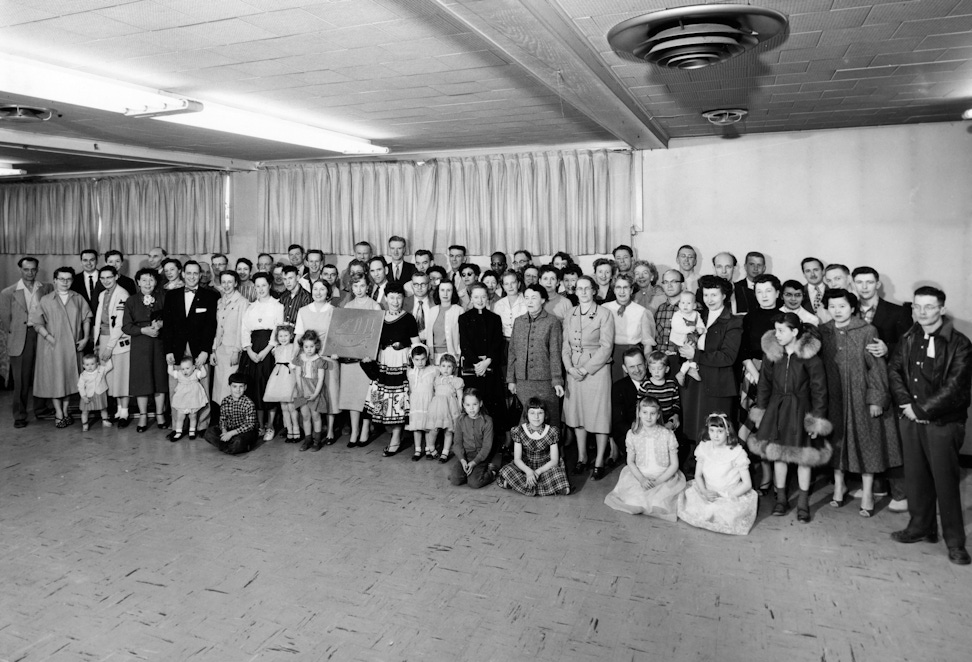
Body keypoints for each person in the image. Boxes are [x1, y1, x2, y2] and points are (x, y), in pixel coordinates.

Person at [889, 286, 971, 565]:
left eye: (929, 306)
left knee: (945, 482)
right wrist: (906, 405)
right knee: (916, 477)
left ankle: (955, 542)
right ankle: (921, 527)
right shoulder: (908, 337)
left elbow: (956, 387)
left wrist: (923, 409)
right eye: (917, 307)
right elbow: (895, 371)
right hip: (911, 419)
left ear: (942, 309)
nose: (922, 312)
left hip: (943, 423)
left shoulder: (960, 343)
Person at [820, 289, 902, 517]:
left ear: (853, 308)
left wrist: (876, 399)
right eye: (833, 306)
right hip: (834, 397)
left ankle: (867, 492)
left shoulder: (867, 330)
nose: (837, 311)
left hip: (861, 396)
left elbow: (876, 367)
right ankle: (839, 485)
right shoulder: (822, 332)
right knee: (836, 442)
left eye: (842, 306)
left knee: (868, 444)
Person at [747, 313, 831, 523]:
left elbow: (819, 390)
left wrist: (816, 420)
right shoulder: (772, 354)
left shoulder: (810, 357)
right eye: (775, 330)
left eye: (782, 330)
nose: (777, 335)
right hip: (777, 409)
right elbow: (764, 385)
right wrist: (761, 412)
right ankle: (781, 499)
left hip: (800, 410)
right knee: (778, 455)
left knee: (802, 457)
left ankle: (803, 502)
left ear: (795, 332)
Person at [678, 275, 743, 464]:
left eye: (714, 295)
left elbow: (728, 357)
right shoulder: (698, 316)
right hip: (695, 378)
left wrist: (695, 355)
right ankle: (697, 463)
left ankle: (717, 469)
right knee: (695, 424)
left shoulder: (733, 321)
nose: (709, 299)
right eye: (706, 295)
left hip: (718, 381)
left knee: (716, 429)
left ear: (725, 296)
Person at [563, 275, 615, 479]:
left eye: (587, 288)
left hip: (596, 370)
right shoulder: (570, 313)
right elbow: (565, 345)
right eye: (579, 288)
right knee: (577, 415)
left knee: (599, 415)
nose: (583, 292)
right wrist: (569, 367)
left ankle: (600, 460)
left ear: (594, 291)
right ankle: (582, 457)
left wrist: (585, 369)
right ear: (575, 291)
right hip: (574, 369)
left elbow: (607, 347)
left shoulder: (604, 314)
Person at [604, 397, 685, 520]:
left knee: (661, 502)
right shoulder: (633, 434)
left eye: (653, 413)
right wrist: (641, 479)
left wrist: (658, 481)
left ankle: (657, 500)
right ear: (639, 414)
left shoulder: (667, 434)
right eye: (645, 412)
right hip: (641, 476)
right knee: (634, 500)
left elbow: (674, 465)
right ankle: (641, 500)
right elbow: (630, 461)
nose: (648, 417)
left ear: (658, 415)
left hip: (664, 477)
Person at [162, 260, 218, 436]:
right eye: (189, 273)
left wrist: (205, 351)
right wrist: (168, 350)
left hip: (199, 349)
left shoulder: (210, 296)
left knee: (202, 386)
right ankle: (178, 427)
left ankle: (201, 425)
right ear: (183, 274)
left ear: (200, 275)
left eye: (196, 273)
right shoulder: (172, 296)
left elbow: (211, 327)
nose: (192, 276)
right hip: (177, 348)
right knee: (176, 388)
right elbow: (168, 325)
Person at [677, 413, 758, 535]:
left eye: (720, 431)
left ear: (727, 432)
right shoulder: (704, 448)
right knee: (696, 506)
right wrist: (704, 491)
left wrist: (727, 497)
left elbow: (747, 484)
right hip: (708, 490)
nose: (715, 435)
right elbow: (698, 475)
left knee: (723, 513)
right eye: (712, 430)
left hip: (729, 494)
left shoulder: (737, 452)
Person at [362, 283, 419, 456]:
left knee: (398, 399)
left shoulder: (408, 318)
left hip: (400, 360)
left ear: (403, 298)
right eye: (392, 297)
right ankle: (368, 431)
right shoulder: (379, 317)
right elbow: (370, 340)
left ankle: (396, 437)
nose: (395, 301)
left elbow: (416, 344)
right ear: (386, 298)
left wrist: (405, 345)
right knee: (379, 396)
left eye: (399, 297)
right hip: (383, 361)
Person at [32, 267, 92, 428]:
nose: (65, 282)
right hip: (52, 347)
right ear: (55, 281)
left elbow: (87, 318)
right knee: (55, 380)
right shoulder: (46, 299)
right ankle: (58, 413)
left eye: (68, 279)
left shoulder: (78, 298)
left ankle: (65, 411)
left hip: (73, 347)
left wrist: (86, 338)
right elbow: (37, 323)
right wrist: (50, 338)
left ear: (72, 281)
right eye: (62, 279)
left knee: (68, 380)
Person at [1, 256, 54, 428]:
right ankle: (20, 415)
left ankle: (41, 408)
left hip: (41, 334)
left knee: (41, 374)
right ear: (20, 270)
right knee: (21, 379)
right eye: (26, 269)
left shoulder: (46, 288)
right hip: (21, 337)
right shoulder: (8, 292)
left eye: (33, 269)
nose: (30, 272)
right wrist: (19, 332)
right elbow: (6, 320)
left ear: (37, 270)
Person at [507, 284, 564, 428]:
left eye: (534, 298)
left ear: (543, 299)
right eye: (527, 298)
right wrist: (511, 379)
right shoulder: (518, 321)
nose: (530, 301)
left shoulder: (552, 322)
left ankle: (553, 450)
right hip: (522, 381)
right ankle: (525, 450)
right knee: (527, 419)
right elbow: (512, 351)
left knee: (549, 418)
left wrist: (557, 380)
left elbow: (555, 353)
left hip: (545, 381)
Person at [238, 273, 285, 441]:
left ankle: (271, 426)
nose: (260, 289)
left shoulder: (277, 306)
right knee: (254, 388)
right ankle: (259, 425)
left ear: (269, 285)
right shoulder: (250, 307)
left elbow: (278, 330)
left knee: (268, 387)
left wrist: (266, 351)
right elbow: (244, 330)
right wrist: (249, 351)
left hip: (269, 351)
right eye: (257, 286)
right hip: (252, 351)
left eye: (263, 285)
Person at [294, 279, 340, 444]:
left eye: (322, 289)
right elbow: (298, 336)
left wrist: (333, 353)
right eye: (315, 289)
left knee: (330, 394)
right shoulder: (303, 311)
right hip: (308, 359)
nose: (318, 292)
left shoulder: (334, 310)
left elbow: (337, 337)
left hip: (328, 358)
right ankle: (311, 434)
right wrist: (294, 359)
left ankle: (330, 431)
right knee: (310, 395)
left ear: (328, 292)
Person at [340, 273, 383, 447]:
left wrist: (371, 353)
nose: (359, 290)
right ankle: (354, 430)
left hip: (367, 358)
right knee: (352, 396)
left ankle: (365, 429)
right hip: (351, 359)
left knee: (366, 396)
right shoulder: (348, 306)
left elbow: (377, 333)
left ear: (368, 287)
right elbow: (343, 333)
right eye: (355, 286)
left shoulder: (375, 306)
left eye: (362, 286)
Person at [122, 268, 168, 433]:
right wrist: (143, 330)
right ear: (138, 282)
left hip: (159, 343)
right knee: (142, 380)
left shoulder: (163, 297)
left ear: (155, 282)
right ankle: (143, 415)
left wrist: (162, 324)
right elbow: (126, 326)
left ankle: (160, 414)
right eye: (144, 280)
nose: (147, 283)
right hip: (140, 344)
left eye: (151, 280)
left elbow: (171, 317)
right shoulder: (131, 301)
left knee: (159, 378)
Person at [497, 398, 571, 496]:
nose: (536, 417)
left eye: (540, 413)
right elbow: (517, 459)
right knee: (507, 471)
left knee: (558, 473)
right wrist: (528, 471)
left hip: (545, 466)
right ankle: (548, 487)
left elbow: (554, 460)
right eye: (532, 413)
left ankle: (521, 485)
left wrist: (537, 472)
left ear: (545, 415)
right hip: (526, 464)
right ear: (526, 415)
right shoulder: (518, 431)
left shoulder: (552, 431)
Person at [92, 266, 131, 426]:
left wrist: (109, 347)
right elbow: (99, 320)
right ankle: (119, 409)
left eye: (109, 277)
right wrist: (98, 343)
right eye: (103, 278)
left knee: (122, 377)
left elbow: (120, 324)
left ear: (116, 276)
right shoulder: (102, 294)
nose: (106, 281)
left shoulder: (122, 294)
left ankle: (125, 412)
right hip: (104, 338)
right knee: (111, 377)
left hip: (118, 341)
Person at [209, 270, 248, 422]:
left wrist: (236, 350)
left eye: (229, 282)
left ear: (236, 283)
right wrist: (213, 350)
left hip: (233, 349)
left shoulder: (242, 302)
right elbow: (216, 328)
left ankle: (234, 422)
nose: (226, 285)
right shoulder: (220, 301)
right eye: (223, 282)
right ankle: (222, 422)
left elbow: (241, 329)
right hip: (220, 349)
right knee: (218, 389)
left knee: (230, 387)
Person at [603, 273, 655, 382]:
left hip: (633, 355)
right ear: (614, 290)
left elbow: (647, 343)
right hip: (610, 354)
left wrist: (647, 365)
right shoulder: (605, 308)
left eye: (625, 287)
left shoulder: (641, 311)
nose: (622, 291)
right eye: (618, 287)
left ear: (631, 290)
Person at [448, 388, 495, 489]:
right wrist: (463, 460)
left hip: (480, 456)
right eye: (468, 405)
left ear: (481, 403)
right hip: (466, 455)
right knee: (455, 480)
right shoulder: (460, 420)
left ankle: (492, 472)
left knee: (474, 483)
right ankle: (466, 474)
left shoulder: (487, 421)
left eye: (475, 404)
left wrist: (474, 463)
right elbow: (457, 443)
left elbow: (487, 447)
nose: (471, 408)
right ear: (463, 405)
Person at [293, 330, 331, 452]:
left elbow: (320, 379)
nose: (309, 349)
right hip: (302, 390)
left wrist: (315, 394)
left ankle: (317, 441)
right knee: (305, 416)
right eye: (306, 347)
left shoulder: (319, 360)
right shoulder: (299, 358)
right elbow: (298, 375)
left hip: (315, 390)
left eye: (312, 346)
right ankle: (307, 440)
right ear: (302, 346)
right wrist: (301, 390)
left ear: (316, 346)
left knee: (316, 415)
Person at [204, 373, 258, 455]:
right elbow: (223, 419)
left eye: (241, 387)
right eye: (234, 386)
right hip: (230, 429)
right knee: (209, 433)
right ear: (229, 386)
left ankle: (231, 446)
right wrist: (224, 430)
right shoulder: (225, 401)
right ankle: (232, 447)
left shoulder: (249, 403)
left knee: (239, 441)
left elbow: (250, 425)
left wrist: (231, 433)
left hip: (244, 432)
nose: (238, 390)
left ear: (245, 387)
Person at [263, 325, 299, 442]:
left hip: (289, 376)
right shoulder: (275, 349)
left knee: (292, 406)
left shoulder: (294, 347)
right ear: (277, 337)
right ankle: (289, 430)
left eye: (286, 335)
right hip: (278, 376)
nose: (283, 338)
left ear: (291, 336)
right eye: (281, 336)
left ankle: (296, 430)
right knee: (283, 407)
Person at [427, 353, 465, 462]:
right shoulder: (437, 379)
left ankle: (445, 451)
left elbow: (460, 396)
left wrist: (459, 408)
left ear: (453, 368)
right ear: (439, 367)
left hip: (450, 407)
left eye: (449, 366)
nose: (446, 369)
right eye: (443, 366)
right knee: (434, 429)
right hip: (437, 407)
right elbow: (433, 393)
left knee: (449, 431)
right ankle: (431, 447)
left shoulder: (456, 380)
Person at [406, 345, 438, 460]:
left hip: (429, 401)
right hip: (416, 402)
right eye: (417, 360)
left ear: (427, 357)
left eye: (423, 359)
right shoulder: (410, 372)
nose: (420, 362)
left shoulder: (433, 370)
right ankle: (417, 449)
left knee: (428, 426)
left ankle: (428, 448)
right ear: (412, 359)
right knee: (417, 426)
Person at [166, 356, 208, 441]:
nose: (185, 371)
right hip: (182, 400)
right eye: (183, 368)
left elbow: (204, 374)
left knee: (193, 416)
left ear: (193, 367)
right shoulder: (179, 374)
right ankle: (178, 432)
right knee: (180, 417)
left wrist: (201, 366)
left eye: (187, 368)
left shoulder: (196, 373)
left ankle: (192, 431)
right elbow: (170, 372)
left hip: (193, 399)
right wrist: (170, 365)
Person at [426, 279, 462, 364]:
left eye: (448, 290)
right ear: (438, 292)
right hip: (433, 355)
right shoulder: (432, 311)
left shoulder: (459, 310)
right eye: (442, 290)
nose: (445, 294)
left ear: (453, 292)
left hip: (451, 355)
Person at [77, 353, 112, 431]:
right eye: (87, 364)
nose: (90, 366)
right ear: (83, 365)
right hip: (88, 395)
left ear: (97, 364)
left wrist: (107, 359)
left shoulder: (101, 369)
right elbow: (80, 386)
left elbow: (109, 366)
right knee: (85, 411)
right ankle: (85, 424)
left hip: (100, 393)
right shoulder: (83, 375)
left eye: (92, 364)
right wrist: (83, 396)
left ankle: (105, 420)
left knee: (103, 408)